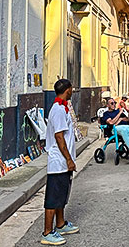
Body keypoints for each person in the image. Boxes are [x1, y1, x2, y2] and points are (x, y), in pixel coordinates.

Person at [41, 79, 79, 245]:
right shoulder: (57, 109)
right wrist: (69, 159)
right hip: (59, 160)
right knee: (53, 197)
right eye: (71, 88)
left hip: (64, 161)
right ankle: (47, 232)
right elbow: (59, 136)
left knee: (62, 195)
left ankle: (61, 223)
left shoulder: (63, 107)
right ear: (67, 90)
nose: (72, 91)